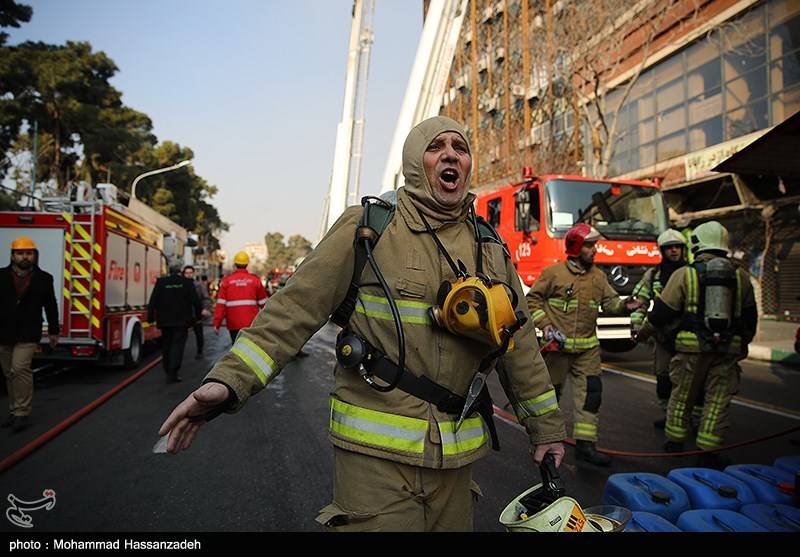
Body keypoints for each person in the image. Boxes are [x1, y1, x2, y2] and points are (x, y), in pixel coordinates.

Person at [158, 116, 566, 532]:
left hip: (455, 463)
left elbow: (521, 348)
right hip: (373, 459)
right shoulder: (368, 228)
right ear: (413, 163)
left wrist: (546, 428)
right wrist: (230, 380)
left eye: (459, 148)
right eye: (436, 146)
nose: (450, 154)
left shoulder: (490, 248)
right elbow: (292, 311)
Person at [634, 220, 757, 470]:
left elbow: (661, 313)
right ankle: (707, 451)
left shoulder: (686, 274)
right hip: (726, 350)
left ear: (695, 244)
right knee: (717, 401)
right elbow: (750, 318)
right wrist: (742, 344)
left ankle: (674, 443)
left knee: (681, 395)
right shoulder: (741, 276)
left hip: (690, 348)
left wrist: (644, 332)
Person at [525, 223, 643, 467]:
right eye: (590, 245)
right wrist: (546, 327)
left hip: (587, 352)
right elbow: (532, 301)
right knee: (549, 398)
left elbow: (610, 303)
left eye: (594, 245)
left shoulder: (598, 277)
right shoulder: (553, 274)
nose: (594, 250)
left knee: (590, 397)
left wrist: (624, 305)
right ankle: (544, 440)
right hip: (557, 351)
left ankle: (586, 446)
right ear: (576, 247)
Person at [630, 229, 688, 429]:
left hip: (687, 336)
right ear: (662, 251)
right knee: (663, 377)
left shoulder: (691, 273)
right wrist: (637, 327)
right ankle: (668, 415)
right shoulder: (653, 274)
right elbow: (639, 301)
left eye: (677, 247)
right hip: (662, 337)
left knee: (687, 379)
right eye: (669, 248)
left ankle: (690, 419)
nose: (674, 251)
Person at [0, 236, 59, 433]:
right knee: (9, 373)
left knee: (20, 368)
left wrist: (53, 331)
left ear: (34, 255)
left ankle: (22, 413)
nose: (25, 257)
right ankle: (14, 409)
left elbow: (51, 305)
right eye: (20, 253)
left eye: (28, 253)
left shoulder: (44, 279)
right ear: (13, 255)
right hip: (4, 333)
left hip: (28, 332)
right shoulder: (1, 276)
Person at [147, 262, 202, 384]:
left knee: (166, 345)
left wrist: (150, 318)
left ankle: (167, 369)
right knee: (177, 346)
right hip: (182, 321)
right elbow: (196, 301)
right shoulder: (187, 283)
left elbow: (153, 301)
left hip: (164, 321)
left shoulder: (161, 282)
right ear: (181, 270)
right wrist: (197, 317)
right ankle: (173, 372)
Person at [212, 251, 269, 344]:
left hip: (233, 322)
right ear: (247, 264)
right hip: (251, 322)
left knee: (236, 349)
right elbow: (265, 304)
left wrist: (216, 324)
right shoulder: (255, 281)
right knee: (250, 349)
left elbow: (220, 305)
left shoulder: (227, 281)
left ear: (235, 264)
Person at [182, 265, 212, 359]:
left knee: (199, 334)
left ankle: (200, 351)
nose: (188, 275)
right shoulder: (181, 285)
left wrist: (205, 309)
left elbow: (206, 298)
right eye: (187, 273)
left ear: (193, 274)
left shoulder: (198, 286)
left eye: (190, 273)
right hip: (184, 316)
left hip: (196, 315)